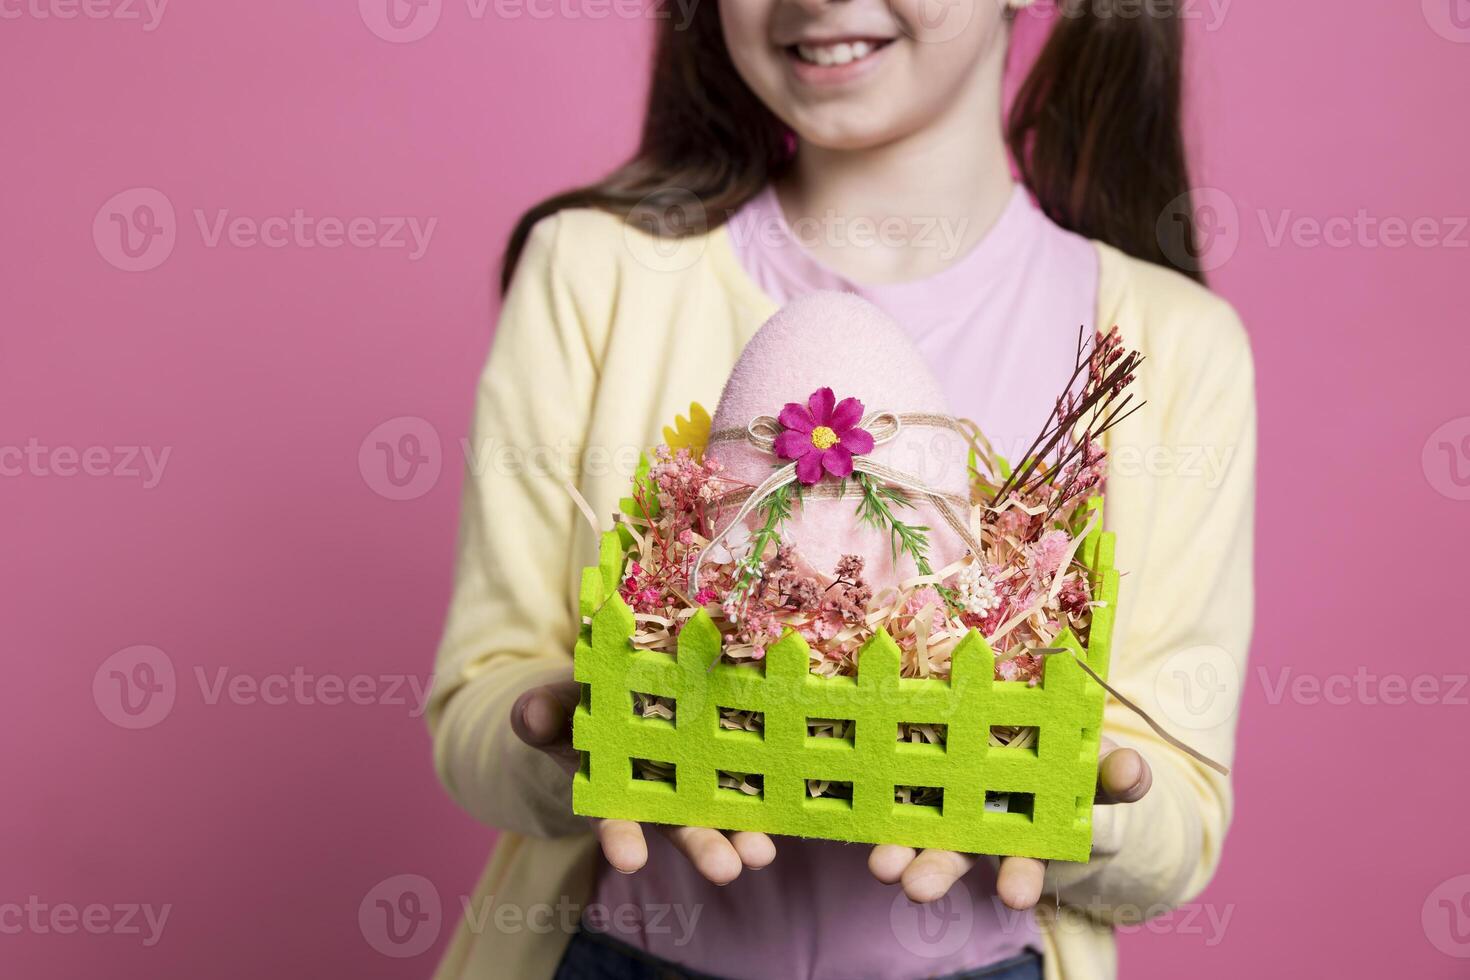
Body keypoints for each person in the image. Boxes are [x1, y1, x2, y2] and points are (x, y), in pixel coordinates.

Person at [428, 0, 1255, 977]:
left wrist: (1069, 799)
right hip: (620, 950)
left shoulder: (1166, 345)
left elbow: (1182, 814)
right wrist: (581, 734)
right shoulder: (596, 274)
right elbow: (478, 702)